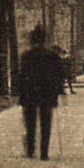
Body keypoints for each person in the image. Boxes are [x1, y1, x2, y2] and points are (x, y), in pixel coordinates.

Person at [15, 26, 66, 159]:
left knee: (30, 122)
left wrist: (20, 94)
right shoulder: (53, 56)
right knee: (46, 122)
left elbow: (21, 76)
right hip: (47, 93)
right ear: (44, 40)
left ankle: (31, 150)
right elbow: (59, 75)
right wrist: (59, 92)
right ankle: (44, 152)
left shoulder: (26, 56)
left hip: (30, 93)